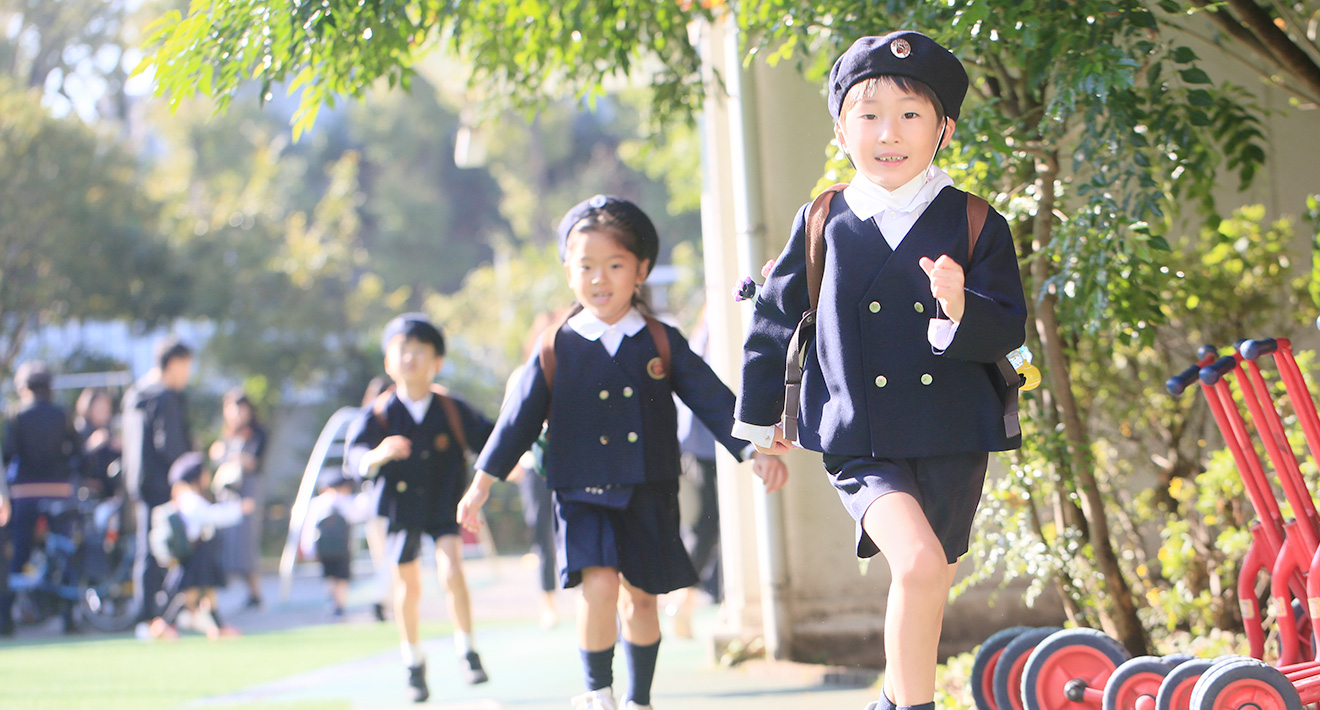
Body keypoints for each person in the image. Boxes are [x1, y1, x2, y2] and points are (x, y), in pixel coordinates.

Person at [734, 32, 1027, 710]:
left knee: (928, 580)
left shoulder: (977, 222)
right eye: (868, 115)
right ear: (841, 129)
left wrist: (960, 306)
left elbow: (1007, 329)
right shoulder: (825, 221)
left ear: (944, 130)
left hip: (954, 435)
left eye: (910, 114)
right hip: (861, 439)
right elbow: (775, 320)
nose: (888, 133)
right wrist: (761, 425)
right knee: (920, 565)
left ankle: (892, 699)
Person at [458, 195, 788, 710]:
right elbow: (516, 420)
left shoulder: (660, 339)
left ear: (641, 271)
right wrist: (481, 484)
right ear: (568, 273)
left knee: (641, 598)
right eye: (586, 266)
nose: (599, 278)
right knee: (600, 586)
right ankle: (598, 692)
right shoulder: (555, 345)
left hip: (649, 489)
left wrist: (755, 450)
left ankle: (638, 699)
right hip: (580, 490)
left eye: (614, 265)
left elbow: (713, 399)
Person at [347, 314, 495, 702]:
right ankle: (413, 661)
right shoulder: (379, 413)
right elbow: (356, 455)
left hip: (443, 504)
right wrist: (377, 455)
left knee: (451, 569)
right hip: (399, 510)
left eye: (419, 351)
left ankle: (467, 650)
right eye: (402, 350)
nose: (410, 358)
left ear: (437, 361)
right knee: (407, 586)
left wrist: (518, 459)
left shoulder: (451, 408)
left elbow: (492, 439)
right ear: (388, 361)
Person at [1, 361, 81, 633]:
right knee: (63, 552)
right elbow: (77, 453)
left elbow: (9, 453)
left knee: (18, 554)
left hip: (24, 494)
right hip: (59, 493)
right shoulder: (62, 414)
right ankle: (69, 618)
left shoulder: (16, 414)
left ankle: (5, 619)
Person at [121, 336, 195, 626]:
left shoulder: (135, 394)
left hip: (138, 483)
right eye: (187, 366)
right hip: (164, 483)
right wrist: (185, 477)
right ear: (174, 363)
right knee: (167, 546)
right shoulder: (164, 397)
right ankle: (158, 614)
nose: (188, 374)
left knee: (146, 548)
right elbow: (171, 446)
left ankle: (146, 609)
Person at [146, 452, 253, 640]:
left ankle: (218, 628)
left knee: (207, 593)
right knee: (190, 594)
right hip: (196, 553)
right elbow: (212, 516)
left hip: (199, 552)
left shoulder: (186, 497)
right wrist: (239, 509)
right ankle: (163, 625)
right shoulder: (190, 499)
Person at [209, 389, 267, 609]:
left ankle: (256, 593)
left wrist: (233, 457)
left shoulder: (257, 433)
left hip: (247, 493)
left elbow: (254, 462)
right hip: (228, 494)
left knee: (245, 544)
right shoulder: (227, 435)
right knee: (227, 543)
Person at [344, 375, 393, 623]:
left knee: (388, 556)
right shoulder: (369, 421)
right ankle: (381, 600)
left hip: (383, 500)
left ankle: (384, 600)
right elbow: (355, 462)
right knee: (386, 556)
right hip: (379, 500)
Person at [300, 470, 366, 618]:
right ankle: (338, 604)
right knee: (339, 577)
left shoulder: (318, 503)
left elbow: (309, 527)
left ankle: (334, 602)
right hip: (341, 547)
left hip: (328, 548)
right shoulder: (344, 502)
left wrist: (308, 548)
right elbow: (357, 514)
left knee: (331, 576)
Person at [74, 387, 122, 500]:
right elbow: (75, 461)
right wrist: (91, 446)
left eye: (107, 409)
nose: (105, 413)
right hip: (86, 493)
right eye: (100, 408)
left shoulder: (109, 430)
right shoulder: (80, 430)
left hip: (108, 492)